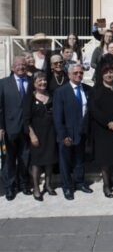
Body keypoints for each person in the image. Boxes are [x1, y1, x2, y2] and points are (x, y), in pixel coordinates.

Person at [53, 64, 93, 200]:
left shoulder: (88, 89)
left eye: (81, 73)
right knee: (65, 161)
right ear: (69, 75)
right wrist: (63, 135)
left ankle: (80, 182)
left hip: (82, 132)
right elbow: (57, 117)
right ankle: (67, 187)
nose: (79, 75)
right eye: (75, 73)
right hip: (67, 134)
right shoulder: (61, 91)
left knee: (80, 159)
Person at [89, 65, 113, 198]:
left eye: (111, 72)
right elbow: (94, 110)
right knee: (106, 160)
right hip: (103, 130)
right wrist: (110, 124)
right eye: (106, 73)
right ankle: (106, 185)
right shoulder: (96, 90)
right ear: (101, 75)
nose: (109, 75)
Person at [0, 57, 32, 201]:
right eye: (18, 65)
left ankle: (24, 184)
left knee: (25, 157)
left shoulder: (32, 83)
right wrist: (1, 127)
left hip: (27, 129)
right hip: (9, 128)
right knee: (9, 160)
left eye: (23, 65)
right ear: (12, 68)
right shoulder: (3, 83)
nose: (21, 67)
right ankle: (10, 187)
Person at [23, 72, 58, 201]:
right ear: (34, 83)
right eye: (39, 80)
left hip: (51, 133)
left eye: (44, 80)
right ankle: (36, 188)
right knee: (36, 163)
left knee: (50, 160)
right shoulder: (29, 97)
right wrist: (32, 135)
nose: (43, 82)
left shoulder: (52, 95)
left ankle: (48, 185)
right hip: (36, 134)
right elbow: (26, 119)